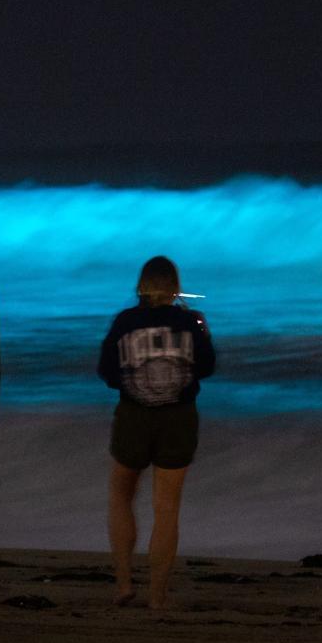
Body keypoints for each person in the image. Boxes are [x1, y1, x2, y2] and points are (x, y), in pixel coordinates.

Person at [97, 256, 215, 610]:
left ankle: (123, 584)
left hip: (134, 415)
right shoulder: (189, 322)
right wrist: (201, 333)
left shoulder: (125, 321)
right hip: (178, 417)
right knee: (166, 509)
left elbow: (106, 371)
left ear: (142, 286)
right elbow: (206, 368)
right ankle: (158, 596)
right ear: (175, 288)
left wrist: (133, 386)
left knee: (121, 496)